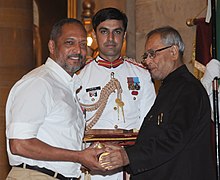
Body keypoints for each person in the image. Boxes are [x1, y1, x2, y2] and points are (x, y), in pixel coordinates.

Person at [100, 26, 216, 180]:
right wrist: (124, 151)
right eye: (146, 55)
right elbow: (155, 138)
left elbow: (173, 139)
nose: (147, 61)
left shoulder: (188, 89)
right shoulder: (171, 87)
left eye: (153, 54)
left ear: (174, 52)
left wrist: (128, 157)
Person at [5, 18, 106, 180]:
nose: (78, 50)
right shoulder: (39, 82)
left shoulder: (67, 86)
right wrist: (78, 156)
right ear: (52, 46)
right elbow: (20, 144)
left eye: (82, 44)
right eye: (69, 43)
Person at [77, 7, 156, 180]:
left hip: (131, 165)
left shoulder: (141, 74)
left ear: (124, 35)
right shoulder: (80, 76)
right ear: (95, 35)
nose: (111, 39)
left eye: (117, 32)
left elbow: (149, 124)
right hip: (95, 166)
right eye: (104, 32)